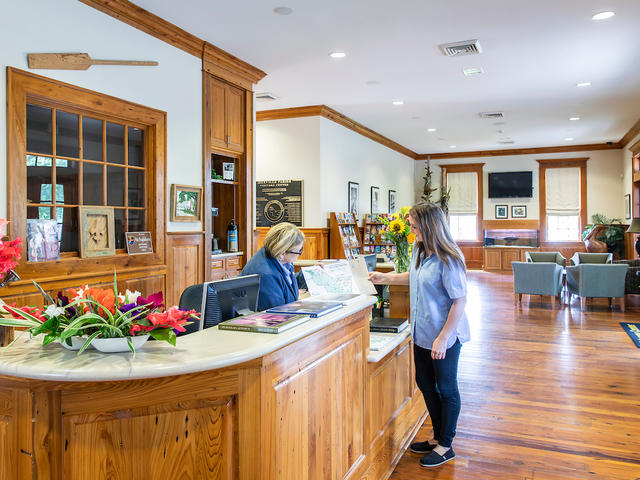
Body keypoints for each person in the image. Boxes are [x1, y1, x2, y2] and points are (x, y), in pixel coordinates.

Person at [368, 202, 469, 468]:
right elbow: (413, 278)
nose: (411, 231)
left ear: (429, 226)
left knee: (446, 387)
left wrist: (443, 338)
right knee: (425, 383)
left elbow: (459, 302)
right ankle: (437, 436)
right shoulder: (419, 249)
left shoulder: (449, 257)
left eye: (414, 226)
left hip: (444, 335)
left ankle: (446, 445)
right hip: (421, 332)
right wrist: (383, 277)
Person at [241, 222, 305, 311]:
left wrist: (308, 274)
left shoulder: (279, 258)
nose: (299, 254)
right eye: (299, 251)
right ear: (283, 253)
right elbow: (277, 313)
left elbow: (286, 284)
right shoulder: (266, 275)